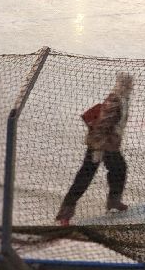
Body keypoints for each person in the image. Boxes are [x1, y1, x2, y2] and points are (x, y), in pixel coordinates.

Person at [55, 73, 133, 225]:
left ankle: (114, 201)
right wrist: (97, 149)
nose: (130, 86)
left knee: (119, 169)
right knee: (85, 176)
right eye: (128, 84)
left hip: (110, 145)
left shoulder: (123, 99)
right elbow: (102, 126)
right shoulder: (114, 101)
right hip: (100, 145)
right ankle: (65, 213)